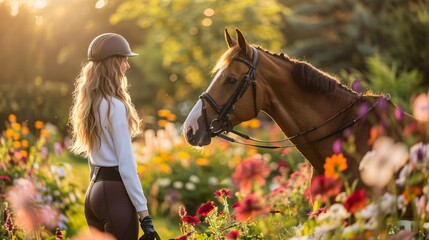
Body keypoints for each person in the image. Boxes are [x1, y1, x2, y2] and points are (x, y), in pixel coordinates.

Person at [69, 33, 160, 240]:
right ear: (114, 63)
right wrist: (144, 214)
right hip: (115, 195)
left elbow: (93, 160)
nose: (127, 65)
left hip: (94, 194)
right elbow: (127, 165)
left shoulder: (90, 104)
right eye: (124, 59)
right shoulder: (115, 106)